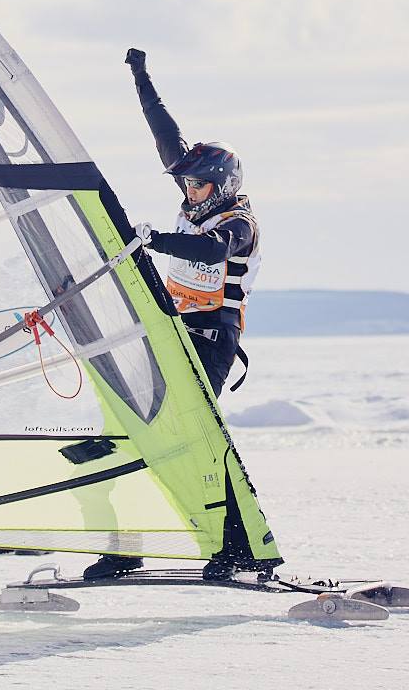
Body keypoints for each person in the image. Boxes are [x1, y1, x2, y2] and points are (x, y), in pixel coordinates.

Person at [83, 48, 266, 582]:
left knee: (195, 441)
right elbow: (167, 139)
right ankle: (123, 547)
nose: (189, 191)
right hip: (171, 333)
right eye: (185, 184)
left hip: (213, 341)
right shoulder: (195, 198)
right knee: (124, 432)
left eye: (198, 184)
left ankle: (237, 549)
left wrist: (155, 240)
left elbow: (211, 251)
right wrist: (142, 78)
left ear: (222, 185)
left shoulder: (238, 223)